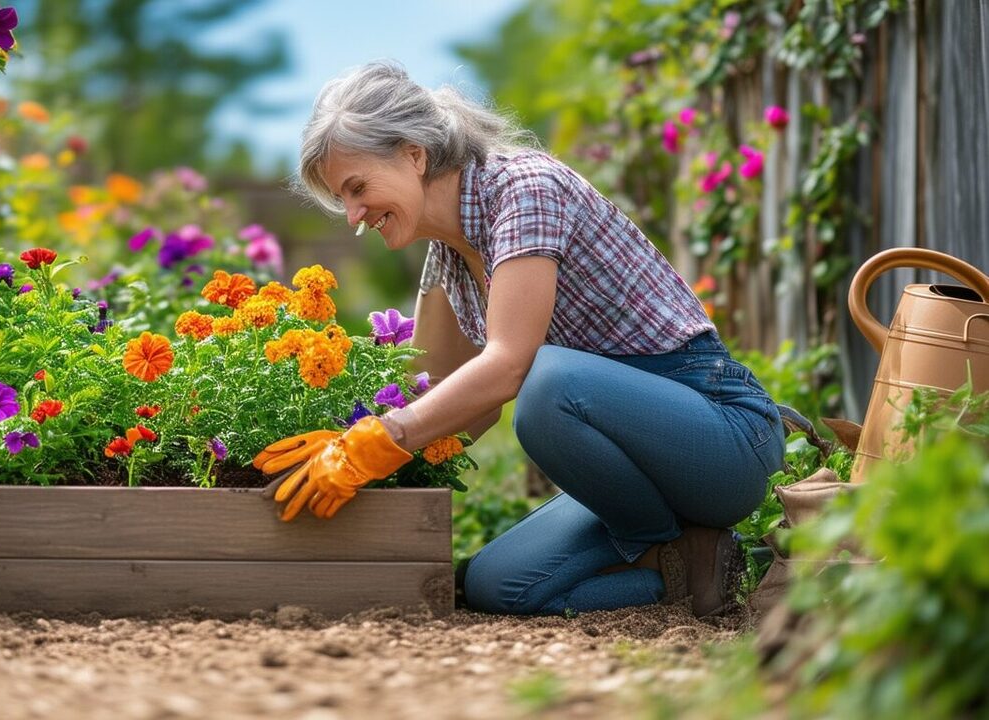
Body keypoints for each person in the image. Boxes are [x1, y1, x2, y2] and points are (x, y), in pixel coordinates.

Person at [253, 61, 785, 618]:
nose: (354, 215)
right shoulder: (451, 256)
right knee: (494, 586)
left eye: (357, 188)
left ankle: (652, 539)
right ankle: (691, 564)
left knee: (546, 379)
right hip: (632, 473)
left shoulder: (524, 188)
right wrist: (354, 452)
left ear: (414, 153)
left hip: (721, 439)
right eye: (343, 199)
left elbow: (509, 366)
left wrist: (381, 441)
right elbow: (449, 403)